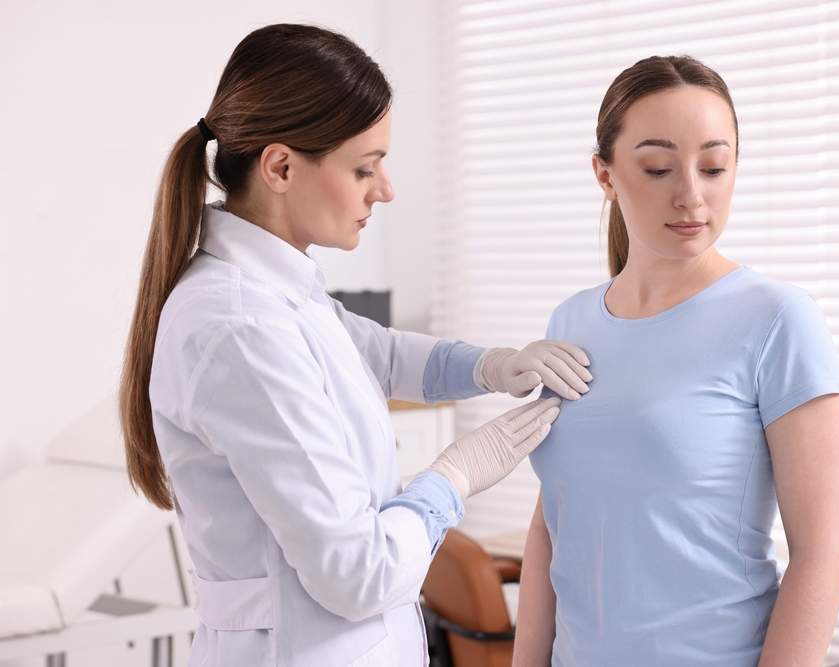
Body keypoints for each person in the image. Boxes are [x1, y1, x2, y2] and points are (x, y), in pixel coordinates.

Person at [119, 24, 593, 667]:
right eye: (364, 167)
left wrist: (491, 366)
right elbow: (358, 573)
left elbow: (376, 352)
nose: (385, 189)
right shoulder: (239, 328)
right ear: (281, 167)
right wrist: (451, 478)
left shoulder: (279, 294)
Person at [513, 56, 839, 667]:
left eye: (715, 167)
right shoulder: (571, 322)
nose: (691, 195)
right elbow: (553, 522)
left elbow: (824, 550)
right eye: (658, 167)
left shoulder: (777, 319)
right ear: (605, 174)